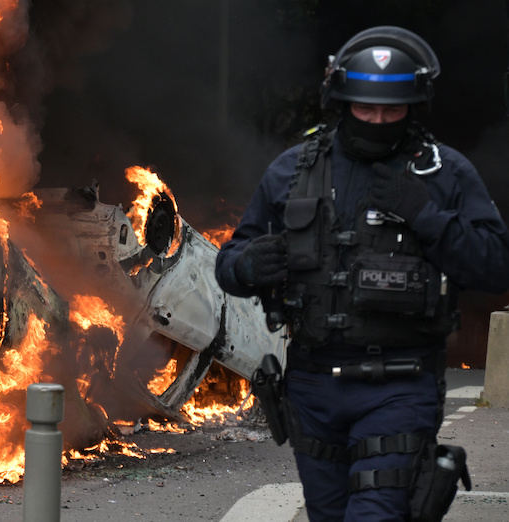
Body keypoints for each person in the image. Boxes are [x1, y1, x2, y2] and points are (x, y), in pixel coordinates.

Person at [215, 26, 509, 521]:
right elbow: (229, 262)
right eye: (364, 108)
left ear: (414, 107)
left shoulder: (444, 174)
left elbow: (494, 265)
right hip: (313, 387)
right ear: (340, 101)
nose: (377, 120)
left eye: (391, 111)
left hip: (402, 385)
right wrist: (246, 264)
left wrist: (427, 216)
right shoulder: (293, 171)